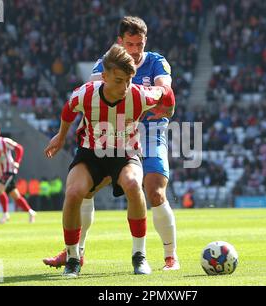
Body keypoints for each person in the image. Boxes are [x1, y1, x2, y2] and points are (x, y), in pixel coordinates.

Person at [43, 16, 180, 271]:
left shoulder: (156, 62)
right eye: (131, 44)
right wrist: (64, 135)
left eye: (140, 44)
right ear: (120, 42)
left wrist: (166, 109)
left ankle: (169, 255)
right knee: (84, 191)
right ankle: (76, 252)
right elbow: (91, 96)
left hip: (146, 132)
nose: (136, 50)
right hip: (107, 134)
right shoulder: (104, 65)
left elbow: (165, 89)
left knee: (153, 190)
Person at [0, 123, 37, 223]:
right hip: (0, 173)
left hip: (9, 170)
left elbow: (19, 148)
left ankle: (5, 214)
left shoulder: (4, 141)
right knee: (15, 195)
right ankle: (31, 212)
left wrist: (17, 162)